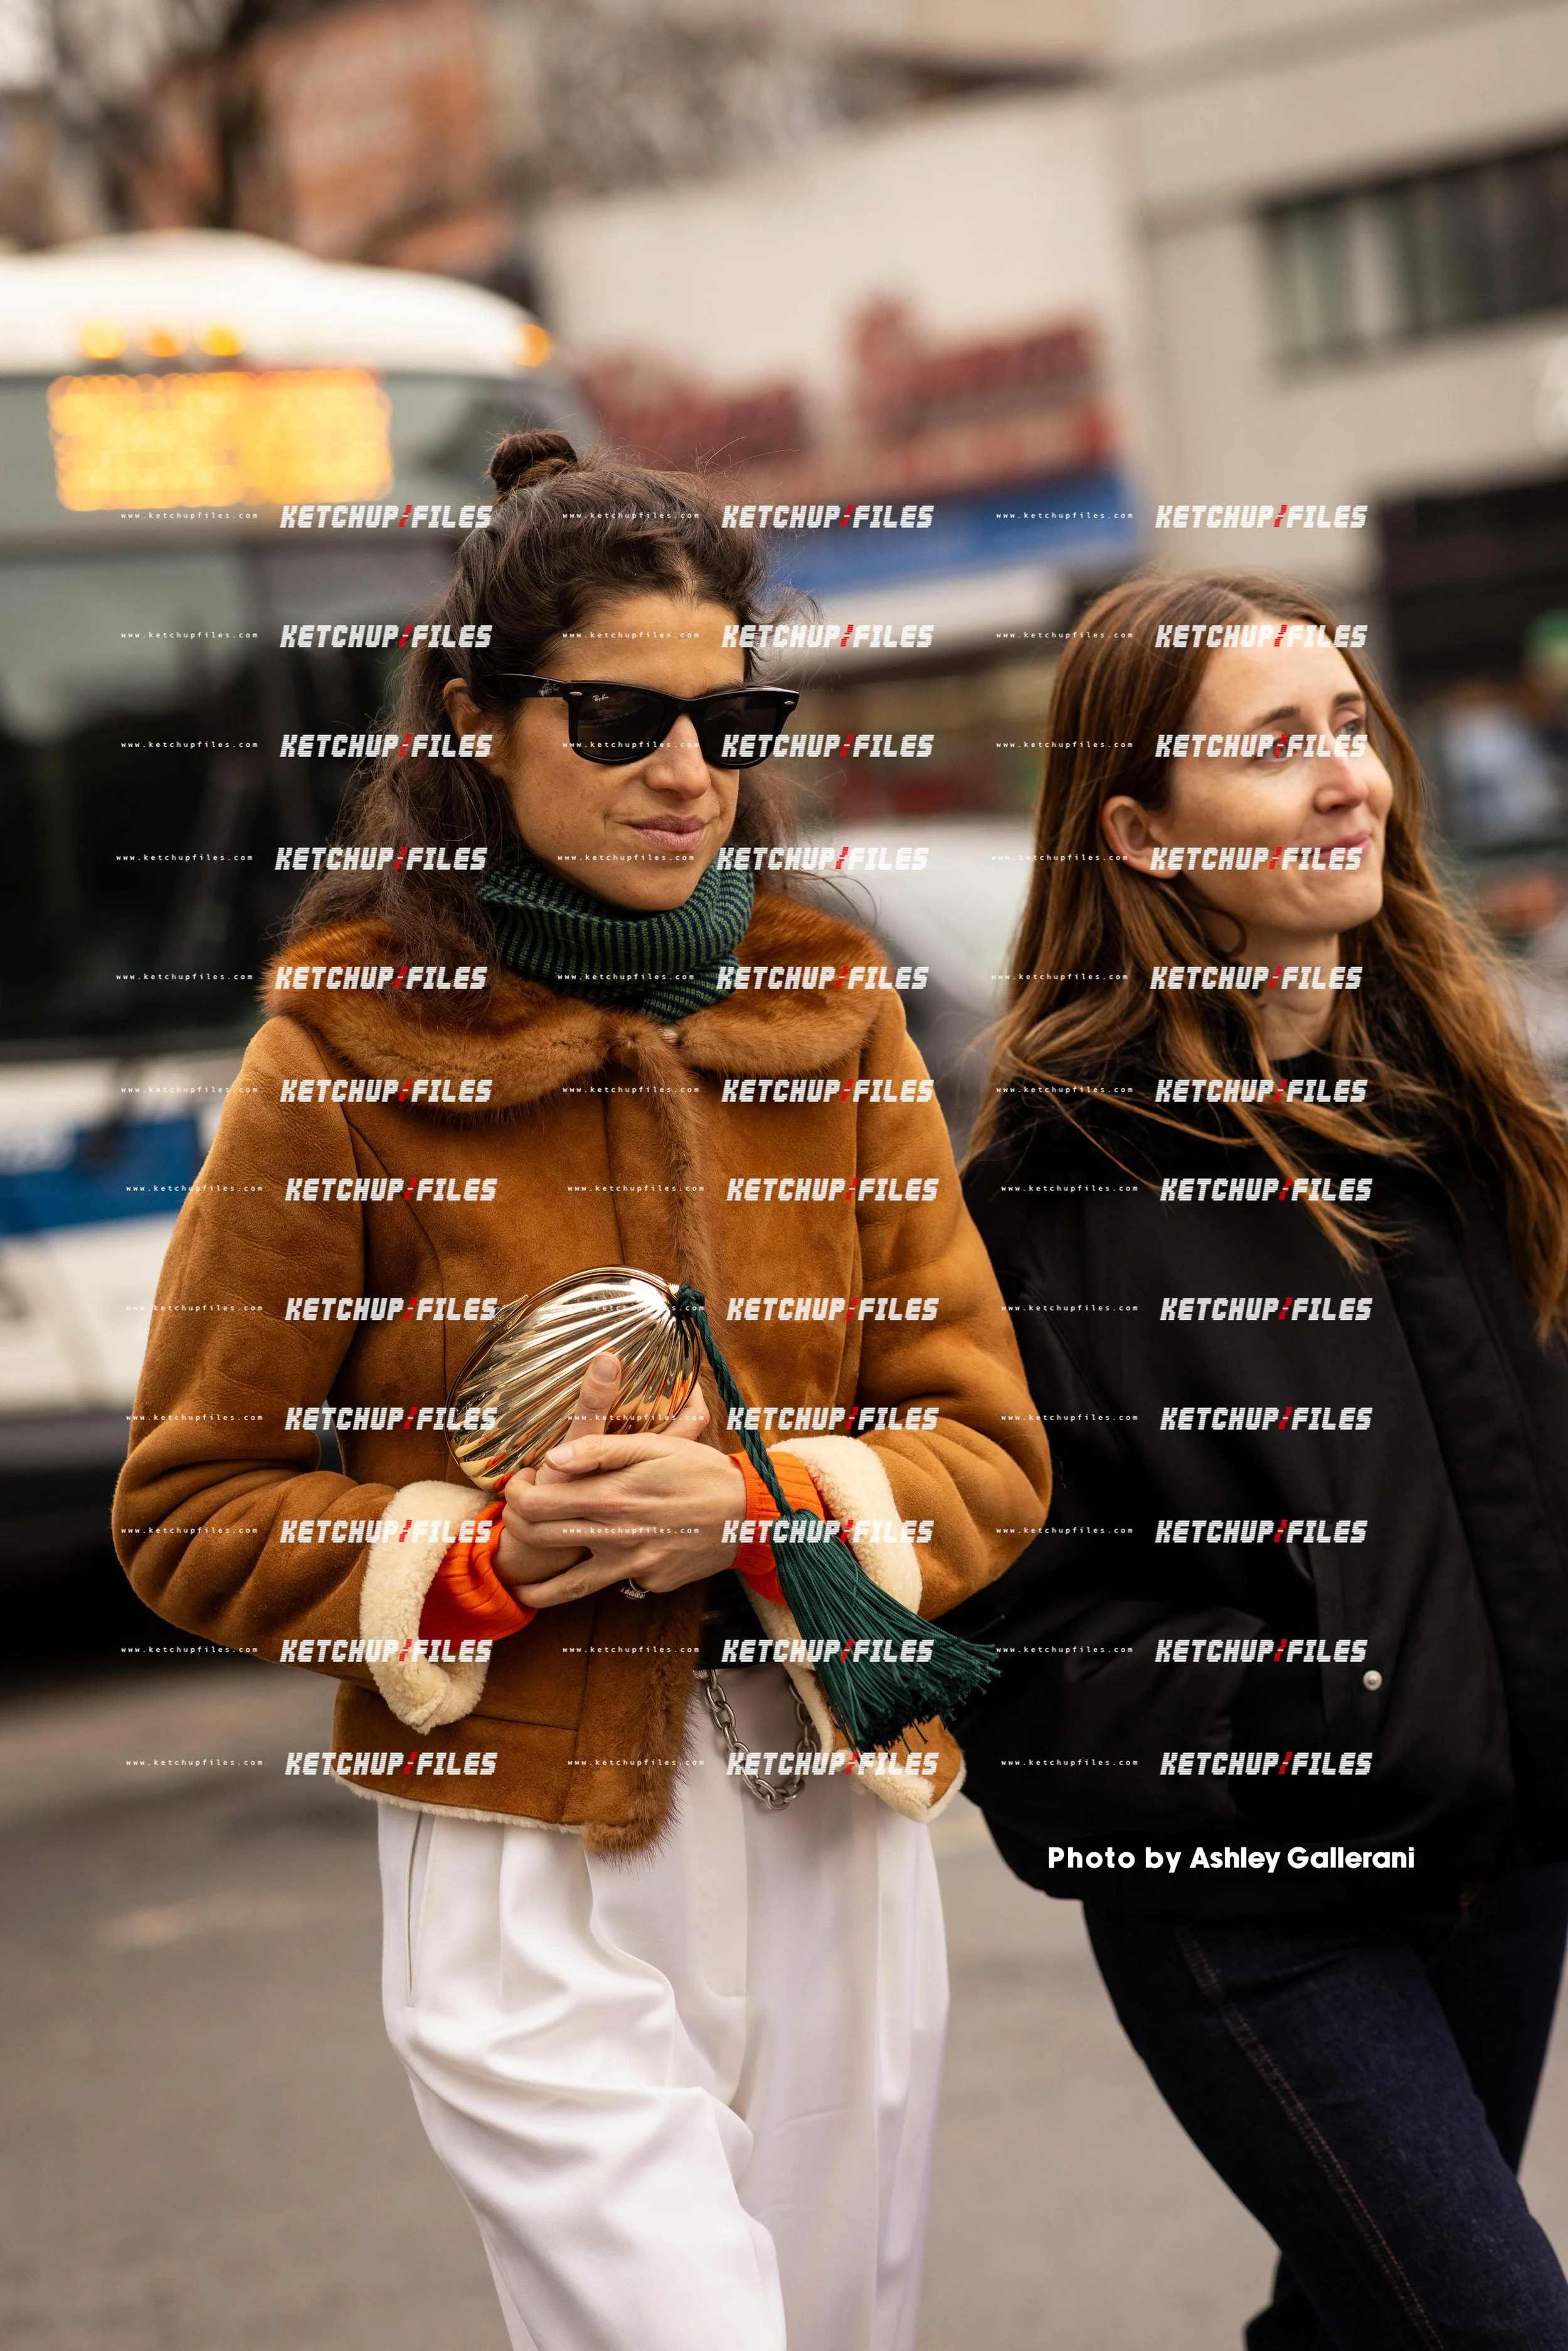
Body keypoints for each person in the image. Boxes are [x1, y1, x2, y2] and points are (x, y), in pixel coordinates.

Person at [114, 429, 1049, 2351]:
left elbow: (984, 1450)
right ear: (477, 719)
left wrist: (763, 1499)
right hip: (518, 1834)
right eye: (621, 718)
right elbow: (187, 1507)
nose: (691, 769)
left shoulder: (837, 1009)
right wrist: (474, 1554)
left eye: (731, 715)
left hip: (826, 1799)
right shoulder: (340, 1054)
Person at [954, 568, 1568, 2351]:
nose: (1344, 776)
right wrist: (1316, 1730)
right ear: (1137, 831)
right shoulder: (1055, 1195)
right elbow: (1014, 1633)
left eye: (1349, 729)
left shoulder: (1478, 1120)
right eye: (1271, 744)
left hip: (1503, 1859)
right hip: (1256, 1897)